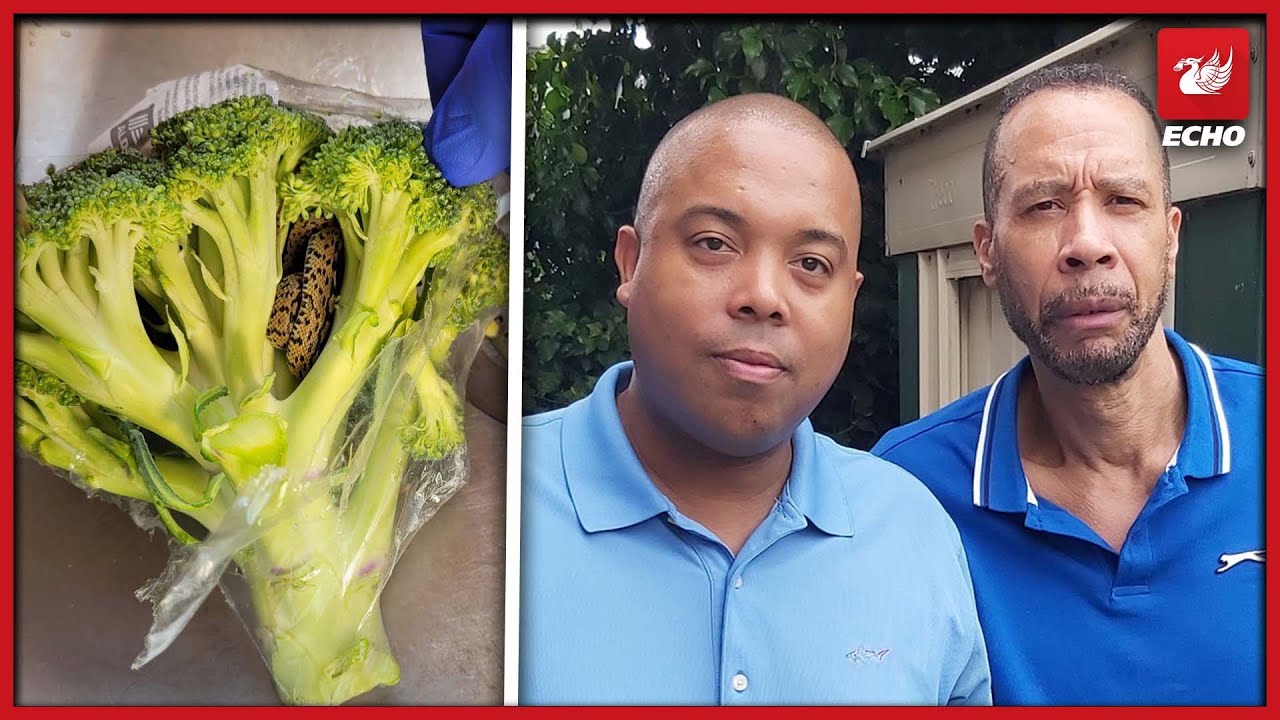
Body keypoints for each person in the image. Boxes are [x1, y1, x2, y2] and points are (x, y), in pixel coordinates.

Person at [520, 93, 991, 705]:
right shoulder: (487, 508)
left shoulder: (911, 533)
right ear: (630, 263)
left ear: (850, 300)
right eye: (715, 244)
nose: (764, 296)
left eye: (811, 264)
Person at [872, 63, 1263, 705]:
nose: (1086, 243)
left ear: (1170, 238)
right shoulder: (905, 492)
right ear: (988, 252)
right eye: (1044, 205)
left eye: (1123, 200)